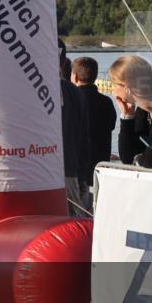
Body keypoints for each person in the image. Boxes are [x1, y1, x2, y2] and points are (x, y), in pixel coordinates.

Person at [71, 57, 117, 208]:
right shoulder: (106, 102)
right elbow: (111, 126)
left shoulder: (72, 101)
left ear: (75, 77)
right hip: (99, 168)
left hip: (78, 170)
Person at [59, 40, 90, 216]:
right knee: (69, 222)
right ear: (65, 62)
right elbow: (83, 139)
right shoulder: (75, 92)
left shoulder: (71, 92)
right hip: (70, 172)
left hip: (39, 174)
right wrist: (82, 176)